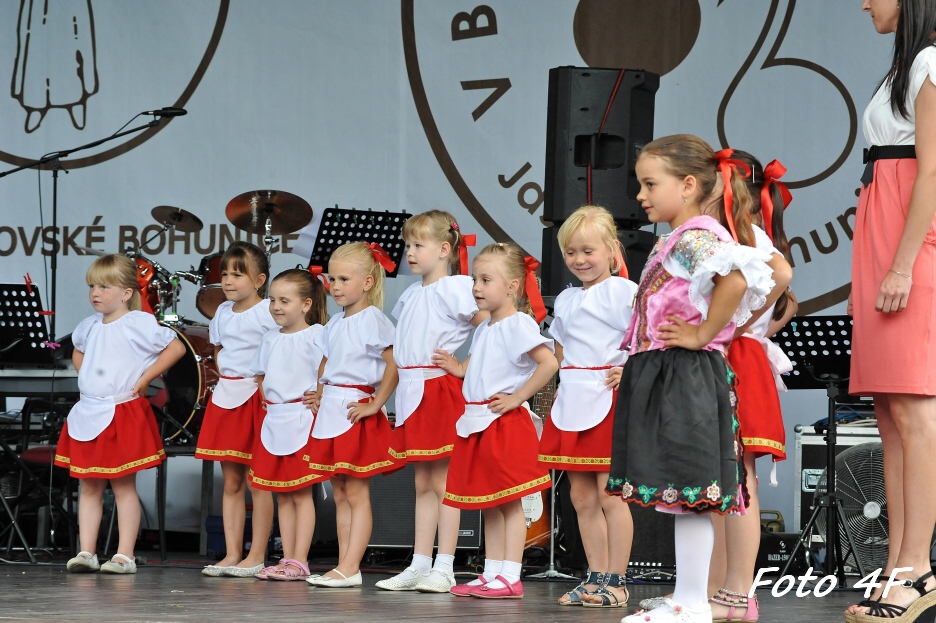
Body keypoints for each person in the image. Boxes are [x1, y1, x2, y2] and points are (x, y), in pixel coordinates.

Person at [608, 134, 774, 623]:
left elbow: (736, 279)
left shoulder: (696, 237)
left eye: (649, 184)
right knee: (683, 495)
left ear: (687, 185)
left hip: (684, 373)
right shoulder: (679, 238)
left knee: (691, 494)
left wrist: (703, 334)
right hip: (669, 370)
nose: (640, 195)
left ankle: (693, 601)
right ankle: (689, 597)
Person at [845, 2, 936, 620]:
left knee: (915, 408)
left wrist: (903, 265)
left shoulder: (930, 60)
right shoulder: (905, 65)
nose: (864, 3)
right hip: (882, 231)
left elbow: (931, 172)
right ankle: (899, 567)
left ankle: (917, 568)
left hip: (908, 241)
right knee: (889, 412)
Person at [434, 242, 559, 599]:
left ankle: (511, 575)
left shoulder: (518, 324)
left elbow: (549, 362)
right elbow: (476, 367)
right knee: (488, 502)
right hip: (477, 421)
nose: (476, 287)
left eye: (486, 280)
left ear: (512, 286)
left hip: (503, 422)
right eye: (475, 279)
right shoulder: (485, 327)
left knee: (509, 502)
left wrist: (518, 397)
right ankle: (492, 572)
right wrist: (456, 367)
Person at [377, 210, 487, 593]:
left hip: (438, 389)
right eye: (408, 245)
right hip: (412, 391)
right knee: (422, 481)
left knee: (443, 482)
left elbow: (492, 324)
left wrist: (464, 366)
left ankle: (445, 566)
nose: (410, 252)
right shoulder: (410, 294)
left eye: (418, 245)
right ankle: (419, 563)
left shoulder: (455, 287)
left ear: (444, 249)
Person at [536, 205, 637, 608]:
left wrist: (630, 369)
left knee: (612, 495)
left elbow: (648, 339)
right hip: (572, 398)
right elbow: (561, 350)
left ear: (612, 250)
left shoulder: (626, 292)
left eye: (588, 251)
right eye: (571, 252)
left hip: (607, 397)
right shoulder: (565, 299)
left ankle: (618, 580)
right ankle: (595, 578)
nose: (579, 260)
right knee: (580, 497)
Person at [58, 254, 185, 574]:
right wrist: (88, 377)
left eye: (104, 286)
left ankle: (124, 555)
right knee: (89, 486)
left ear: (127, 293)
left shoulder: (138, 323)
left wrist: (144, 379)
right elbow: (78, 351)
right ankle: (87, 551)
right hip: (89, 411)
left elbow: (176, 348)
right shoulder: (88, 325)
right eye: (92, 286)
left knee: (123, 486)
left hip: (121, 410)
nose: (95, 293)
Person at [304, 241, 400, 588]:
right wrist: (319, 391)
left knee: (356, 493)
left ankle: (350, 565)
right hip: (332, 410)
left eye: (344, 279)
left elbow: (394, 363)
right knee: (341, 493)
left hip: (354, 412)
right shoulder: (334, 323)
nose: (336, 286)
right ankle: (345, 565)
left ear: (368, 282)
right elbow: (326, 361)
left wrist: (375, 403)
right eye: (332, 279)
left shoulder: (373, 320)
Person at [194, 242, 277, 578]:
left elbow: (282, 348)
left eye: (237, 275)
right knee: (231, 482)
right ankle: (231, 553)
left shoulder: (268, 311)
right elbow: (218, 349)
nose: (228, 281)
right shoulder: (223, 312)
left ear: (259, 280)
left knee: (259, 482)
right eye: (225, 273)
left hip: (258, 398)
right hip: (227, 396)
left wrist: (265, 383)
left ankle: (256, 555)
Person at [247, 269, 329, 581]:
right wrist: (266, 395)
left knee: (300, 494)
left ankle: (300, 560)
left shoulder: (318, 334)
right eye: (272, 300)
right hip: (275, 421)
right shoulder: (269, 338)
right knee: (283, 493)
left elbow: (329, 368)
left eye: (284, 300)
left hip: (301, 420)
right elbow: (260, 374)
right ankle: (287, 558)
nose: (276, 306)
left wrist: (319, 394)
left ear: (306, 304)